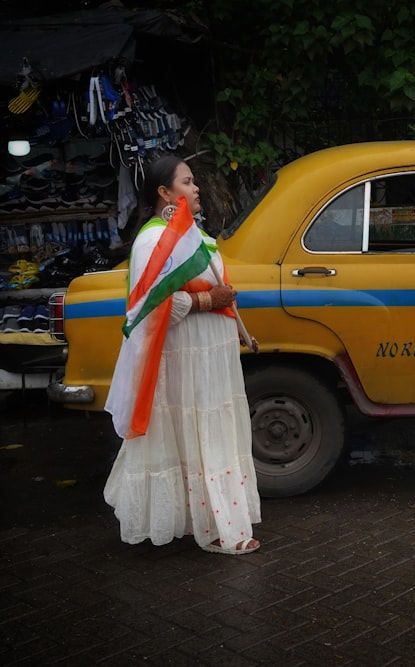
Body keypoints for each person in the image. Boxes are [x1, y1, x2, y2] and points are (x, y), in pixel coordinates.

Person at [104, 155, 261, 555]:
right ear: (164, 192)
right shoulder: (154, 241)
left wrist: (238, 326)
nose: (196, 189)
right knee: (200, 434)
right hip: (185, 356)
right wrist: (209, 300)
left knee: (207, 434)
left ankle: (202, 522)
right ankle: (220, 531)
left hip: (209, 356)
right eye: (188, 182)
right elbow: (152, 306)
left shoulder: (190, 233)